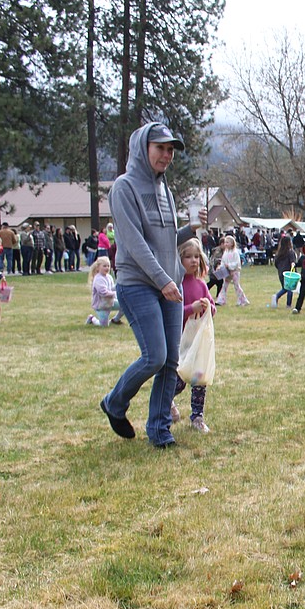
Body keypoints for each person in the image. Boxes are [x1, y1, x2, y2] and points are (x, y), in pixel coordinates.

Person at [100, 122, 186, 449]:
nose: (166, 154)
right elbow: (134, 243)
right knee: (155, 356)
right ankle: (114, 402)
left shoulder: (165, 191)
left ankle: (160, 431)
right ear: (142, 148)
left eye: (170, 150)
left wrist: (190, 229)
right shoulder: (124, 188)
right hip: (139, 283)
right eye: (160, 147)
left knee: (171, 361)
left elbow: (165, 241)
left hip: (168, 285)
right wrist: (162, 279)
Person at [172, 238, 216, 433]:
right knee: (179, 378)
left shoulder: (201, 284)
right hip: (180, 341)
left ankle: (197, 416)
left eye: (197, 256)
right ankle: (166, 401)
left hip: (198, 342)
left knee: (199, 379)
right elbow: (174, 312)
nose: (193, 261)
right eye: (188, 257)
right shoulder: (176, 285)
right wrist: (191, 308)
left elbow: (212, 307)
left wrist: (208, 307)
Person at [216, 235, 249, 306]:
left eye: (227, 242)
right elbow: (223, 261)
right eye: (225, 242)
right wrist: (221, 267)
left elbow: (237, 262)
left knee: (236, 286)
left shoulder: (235, 252)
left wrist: (230, 265)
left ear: (232, 243)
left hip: (234, 272)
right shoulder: (226, 252)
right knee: (224, 285)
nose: (226, 244)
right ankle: (221, 300)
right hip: (227, 272)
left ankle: (242, 300)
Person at [86, 256, 117, 326]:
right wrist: (114, 293)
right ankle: (92, 319)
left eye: (108, 266)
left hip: (110, 302)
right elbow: (103, 293)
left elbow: (112, 288)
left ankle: (116, 320)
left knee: (124, 306)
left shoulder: (109, 277)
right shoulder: (98, 279)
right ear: (98, 268)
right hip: (101, 306)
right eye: (104, 266)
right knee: (103, 325)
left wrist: (119, 287)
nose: (107, 268)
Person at [270, 235, 296, 309]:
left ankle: (276, 296)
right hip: (289, 273)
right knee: (289, 289)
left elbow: (276, 263)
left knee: (285, 288)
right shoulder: (291, 252)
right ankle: (288, 304)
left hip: (281, 273)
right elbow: (293, 262)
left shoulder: (279, 253)